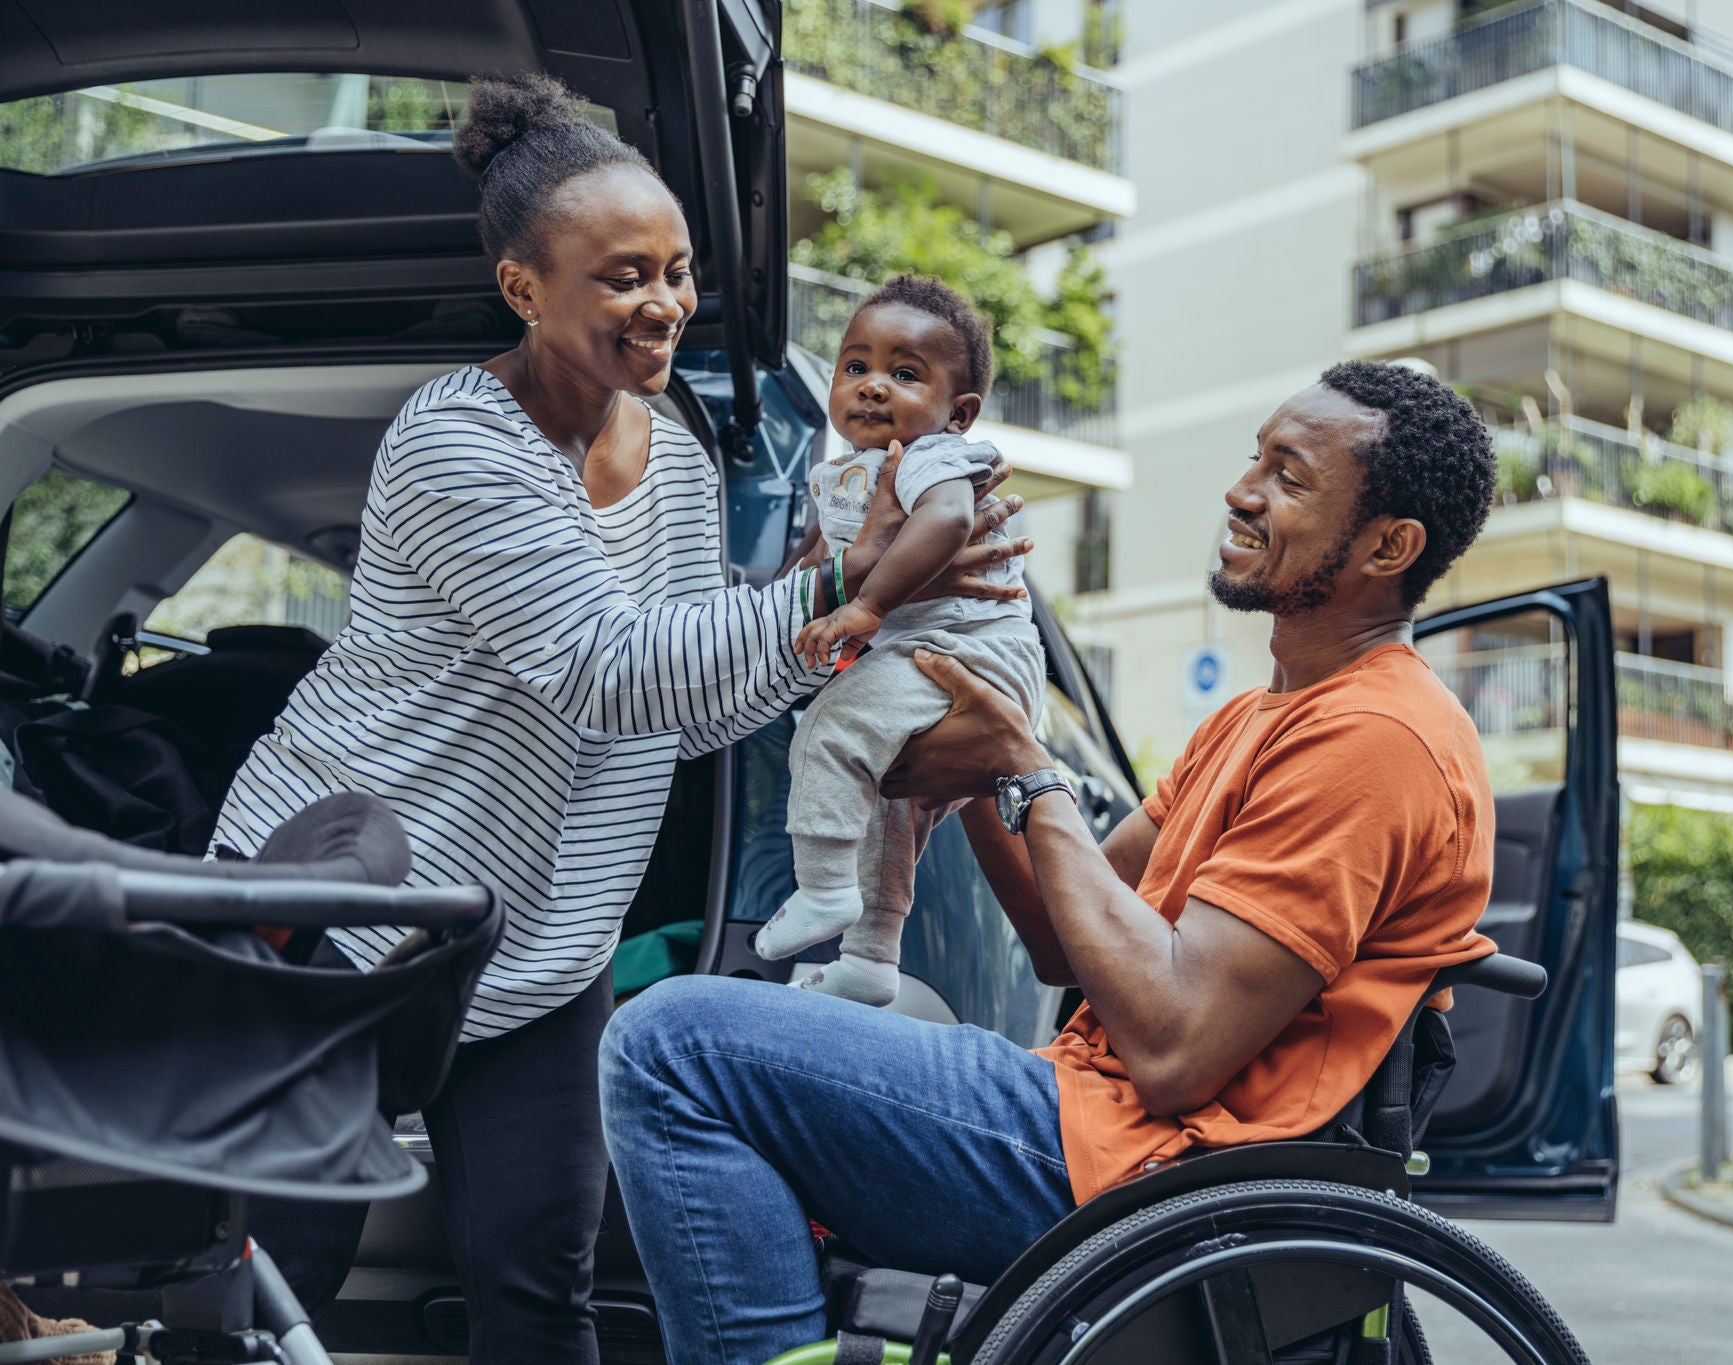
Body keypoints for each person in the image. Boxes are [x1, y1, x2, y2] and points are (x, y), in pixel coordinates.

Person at [210, 74, 1029, 1363]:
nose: (664, 305)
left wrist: (853, 623)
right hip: (356, 910)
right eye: (621, 277)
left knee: (542, 1286)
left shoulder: (681, 457)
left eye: (677, 270)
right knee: (275, 1289)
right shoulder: (455, 443)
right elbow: (607, 667)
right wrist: (839, 580)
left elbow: (694, 700)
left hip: (542, 938)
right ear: (523, 287)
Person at [600, 359, 1503, 1365]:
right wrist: (985, 766)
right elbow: (1060, 943)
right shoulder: (1259, 716)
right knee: (813, 1013)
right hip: (1098, 1125)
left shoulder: (1378, 738)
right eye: (1254, 459)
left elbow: (1170, 1047)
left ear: (1389, 545)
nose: (1240, 492)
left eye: (1288, 477)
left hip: (1158, 1176)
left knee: (670, 1046)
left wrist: (1026, 771)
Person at [752, 274, 1044, 1005]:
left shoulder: (934, 457)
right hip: (928, 659)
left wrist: (868, 606)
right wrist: (802, 591)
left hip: (969, 656)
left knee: (831, 724)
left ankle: (822, 892)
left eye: (904, 373)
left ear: (959, 412)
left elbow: (945, 524)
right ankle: (871, 956)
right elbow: (807, 572)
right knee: (885, 807)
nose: (873, 386)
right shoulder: (842, 475)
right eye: (857, 367)